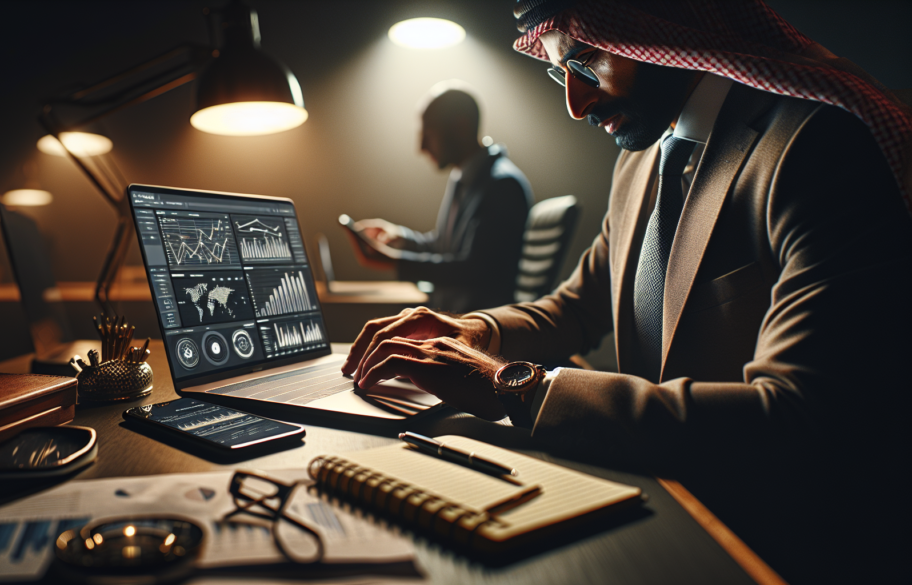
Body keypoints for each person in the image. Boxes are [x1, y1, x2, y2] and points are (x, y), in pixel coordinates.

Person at [343, 1, 912, 582]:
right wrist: (474, 331)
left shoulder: (821, 147)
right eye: (561, 72)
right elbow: (576, 306)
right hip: (659, 491)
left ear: (668, 20)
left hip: (777, 542)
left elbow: (794, 419)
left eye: (587, 61)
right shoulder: (641, 163)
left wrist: (513, 386)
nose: (575, 103)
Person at [346, 84, 533, 313]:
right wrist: (401, 238)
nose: (421, 147)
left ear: (461, 127)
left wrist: (395, 261)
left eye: (429, 134)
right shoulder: (465, 178)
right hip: (453, 316)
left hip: (474, 323)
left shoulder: (502, 186)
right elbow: (445, 247)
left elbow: (474, 271)